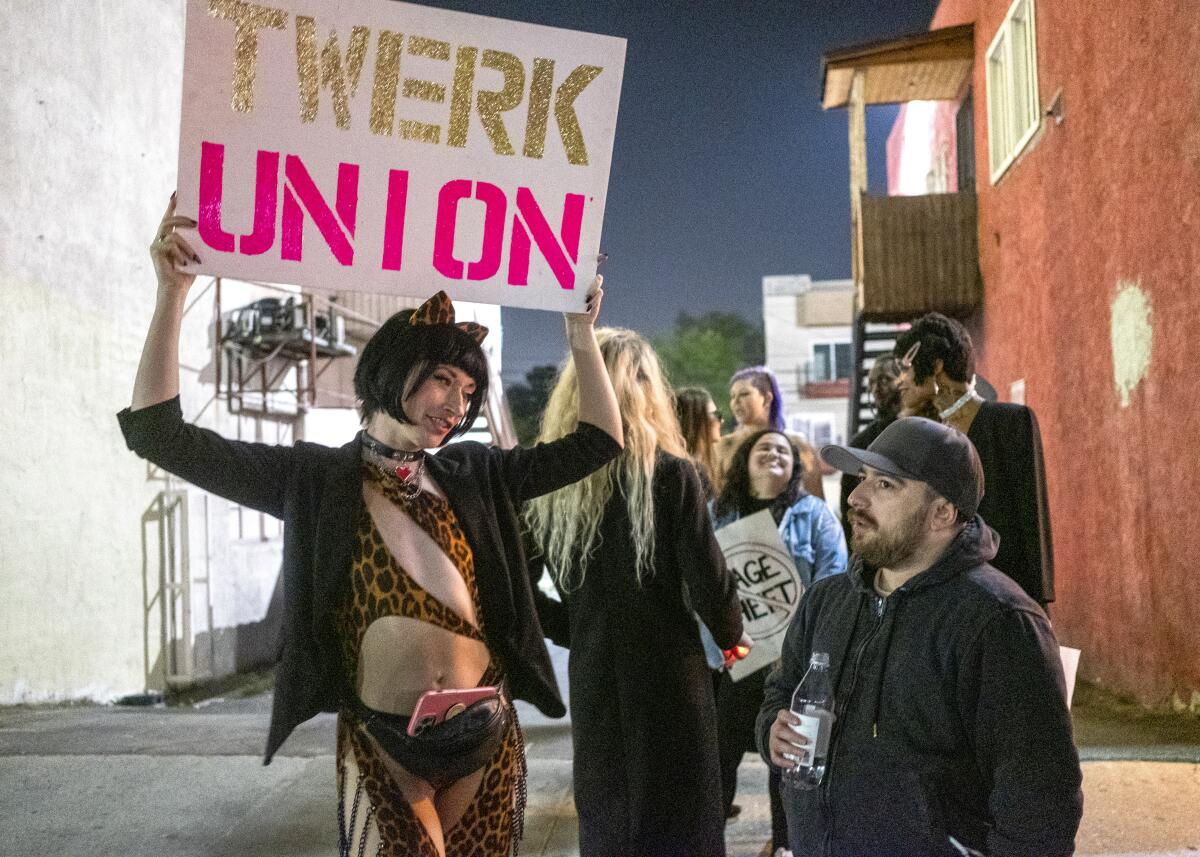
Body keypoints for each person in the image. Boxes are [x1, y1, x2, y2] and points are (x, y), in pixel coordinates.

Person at [120, 196, 623, 857]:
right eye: (443, 380)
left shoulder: (476, 472)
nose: (455, 404)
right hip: (384, 743)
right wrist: (173, 292)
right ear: (395, 370)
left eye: (468, 393)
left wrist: (580, 332)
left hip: (486, 734)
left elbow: (597, 441)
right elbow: (164, 436)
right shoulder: (317, 480)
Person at [758, 417, 1082, 857]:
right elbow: (782, 689)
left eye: (886, 485)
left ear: (942, 513)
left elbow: (1039, 799)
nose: (855, 497)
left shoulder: (999, 621)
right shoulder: (825, 601)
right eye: (862, 479)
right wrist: (771, 730)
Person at [524, 328, 743, 857]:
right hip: (672, 674)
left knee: (610, 815)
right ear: (644, 387)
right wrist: (732, 635)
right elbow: (709, 582)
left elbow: (521, 589)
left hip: (597, 673)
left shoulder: (549, 484)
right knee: (682, 821)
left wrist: (574, 628)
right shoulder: (672, 473)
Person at [711, 429, 847, 857]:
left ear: (794, 467)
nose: (773, 453)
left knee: (784, 757)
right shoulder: (717, 514)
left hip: (791, 662)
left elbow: (832, 581)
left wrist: (800, 652)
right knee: (719, 755)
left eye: (782, 450)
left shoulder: (814, 515)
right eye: (763, 447)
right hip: (735, 657)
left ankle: (785, 845)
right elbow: (698, 588)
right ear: (745, 461)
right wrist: (730, 649)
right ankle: (707, 841)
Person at [894, 313, 1055, 607]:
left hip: (1004, 600)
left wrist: (1036, 610)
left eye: (904, 368)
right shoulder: (927, 438)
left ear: (936, 365)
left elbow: (1032, 525)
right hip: (943, 604)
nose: (899, 381)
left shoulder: (1009, 422)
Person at [715, 366, 824, 498]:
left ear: (767, 398)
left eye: (744, 394)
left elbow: (817, 500)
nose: (735, 402)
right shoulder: (724, 446)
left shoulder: (798, 446)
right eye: (732, 396)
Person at [839, 354, 903, 544]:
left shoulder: (927, 431)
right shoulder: (861, 443)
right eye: (872, 382)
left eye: (885, 380)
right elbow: (848, 506)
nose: (876, 389)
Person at [675, 386, 722, 496]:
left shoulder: (709, 466)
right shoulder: (683, 472)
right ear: (695, 420)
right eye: (716, 415)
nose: (721, 420)